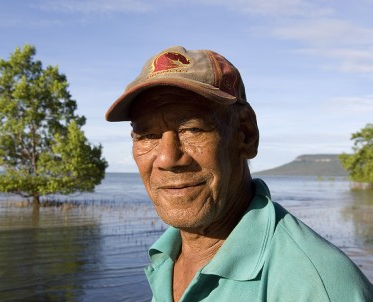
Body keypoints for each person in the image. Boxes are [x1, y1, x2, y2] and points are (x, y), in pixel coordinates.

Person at [105, 46, 373, 301]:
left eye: (192, 129)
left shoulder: (317, 286)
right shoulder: (168, 255)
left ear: (245, 134)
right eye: (147, 136)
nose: (167, 158)